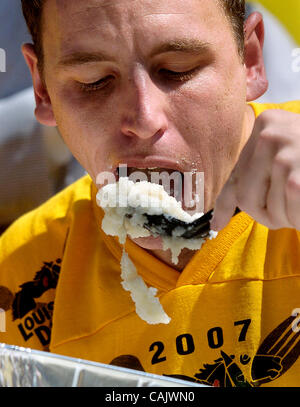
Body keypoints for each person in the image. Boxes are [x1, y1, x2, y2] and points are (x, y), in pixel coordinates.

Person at [0, 0, 299, 387]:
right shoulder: (25, 274)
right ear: (42, 89)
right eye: (94, 80)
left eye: (178, 70)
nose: (143, 120)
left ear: (252, 61)